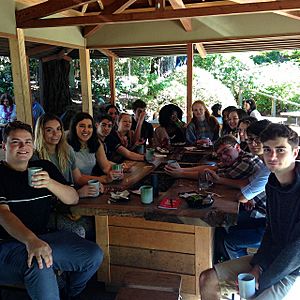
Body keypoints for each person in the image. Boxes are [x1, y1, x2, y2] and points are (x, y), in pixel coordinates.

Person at [0, 121, 103, 300]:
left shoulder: (44, 168)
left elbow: (73, 198)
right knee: (40, 264)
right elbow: (3, 214)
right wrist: (31, 240)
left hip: (44, 237)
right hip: (7, 245)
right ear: (4, 145)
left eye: (28, 141)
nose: (23, 146)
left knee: (93, 254)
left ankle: (70, 293)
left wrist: (49, 183)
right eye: (16, 142)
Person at [200, 124, 300, 300]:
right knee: (207, 279)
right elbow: (271, 231)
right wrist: (257, 267)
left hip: (292, 269)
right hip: (271, 258)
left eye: (281, 150)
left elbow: (296, 250)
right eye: (268, 149)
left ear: (295, 153)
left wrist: (261, 281)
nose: (272, 156)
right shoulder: (272, 183)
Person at [212, 120, 271, 261]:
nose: (253, 143)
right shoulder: (263, 164)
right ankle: (224, 262)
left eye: (257, 140)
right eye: (250, 140)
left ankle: (244, 277)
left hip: (270, 224)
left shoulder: (268, 167)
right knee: (223, 225)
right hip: (266, 216)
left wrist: (246, 195)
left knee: (229, 237)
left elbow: (242, 196)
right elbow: (246, 186)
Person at [67, 112, 112, 182]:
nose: (86, 130)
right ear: (74, 127)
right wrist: (103, 179)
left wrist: (115, 172)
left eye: (89, 126)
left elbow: (106, 167)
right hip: (71, 187)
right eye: (82, 126)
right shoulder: (66, 145)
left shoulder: (95, 142)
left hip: (90, 183)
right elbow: (78, 178)